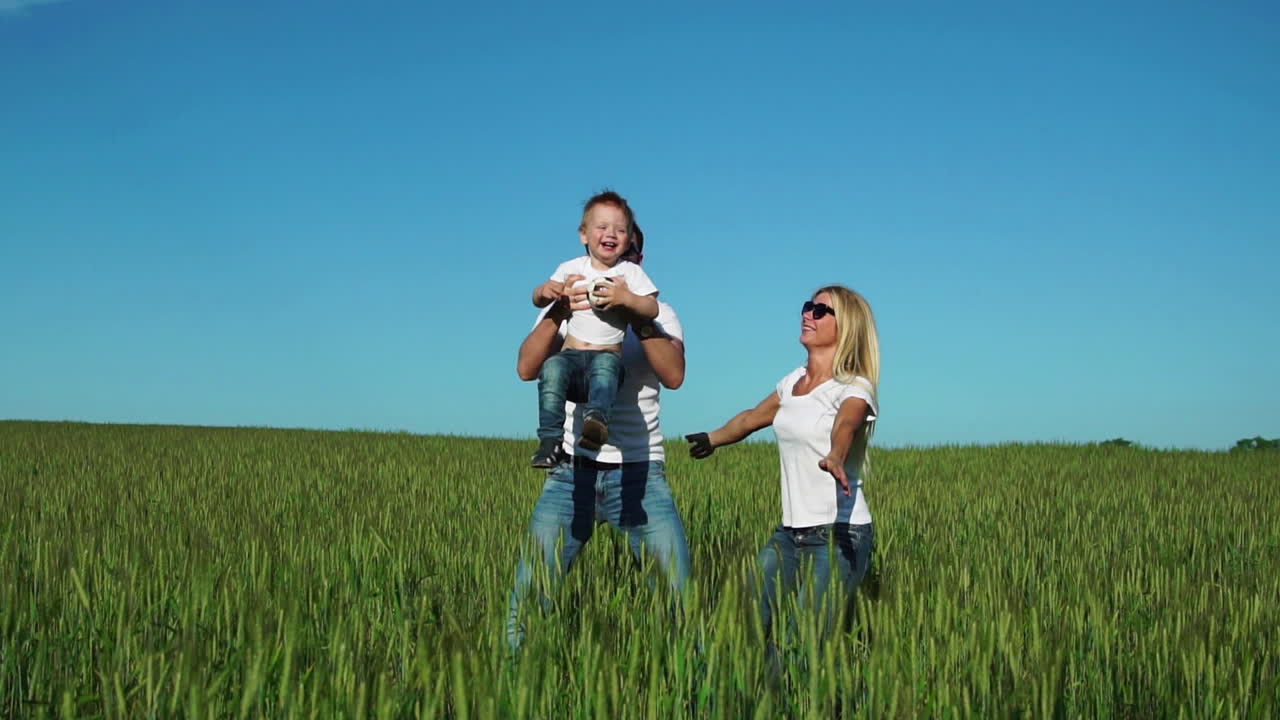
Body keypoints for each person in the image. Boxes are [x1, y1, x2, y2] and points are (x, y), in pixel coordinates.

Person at [506, 192, 691, 653]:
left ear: (635, 260)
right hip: (573, 474)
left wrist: (633, 310)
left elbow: (673, 375)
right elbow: (527, 367)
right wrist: (559, 309)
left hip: (640, 472)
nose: (615, 252)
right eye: (603, 236)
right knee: (527, 602)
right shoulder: (571, 301)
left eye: (625, 245)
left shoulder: (660, 313)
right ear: (586, 243)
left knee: (678, 606)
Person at [684, 285, 880, 651]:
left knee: (802, 639)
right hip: (789, 535)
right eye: (808, 307)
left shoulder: (854, 386)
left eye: (821, 311)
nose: (808, 314)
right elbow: (751, 418)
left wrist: (836, 455)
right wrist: (712, 438)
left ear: (847, 326)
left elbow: (847, 423)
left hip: (839, 536)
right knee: (745, 622)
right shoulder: (793, 382)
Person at [529, 192, 660, 467]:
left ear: (628, 240)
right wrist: (547, 291)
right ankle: (550, 440)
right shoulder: (571, 268)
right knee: (552, 369)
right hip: (572, 355)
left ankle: (596, 424)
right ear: (584, 235)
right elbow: (537, 298)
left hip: (607, 354)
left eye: (620, 229)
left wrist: (627, 299)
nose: (610, 234)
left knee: (606, 373)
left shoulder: (629, 273)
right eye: (601, 227)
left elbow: (652, 308)